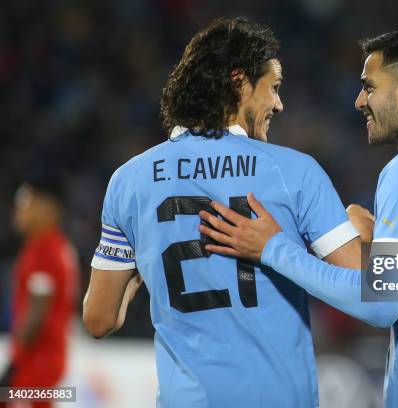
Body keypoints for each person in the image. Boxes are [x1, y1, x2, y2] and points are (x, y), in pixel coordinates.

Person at [198, 26, 398, 407]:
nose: (358, 101)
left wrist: (275, 249)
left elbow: (380, 305)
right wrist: (382, 254)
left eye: (369, 87)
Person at [82, 17, 360, 408]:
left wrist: (137, 273)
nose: (279, 104)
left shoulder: (129, 181)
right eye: (274, 87)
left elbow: (98, 321)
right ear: (239, 82)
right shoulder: (293, 171)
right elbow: (369, 287)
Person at [4, 175, 79, 408]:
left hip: (36, 362)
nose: (19, 210)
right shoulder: (58, 247)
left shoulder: (43, 250)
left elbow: (37, 312)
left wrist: (14, 364)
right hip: (48, 360)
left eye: (26, 201)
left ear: (47, 208)